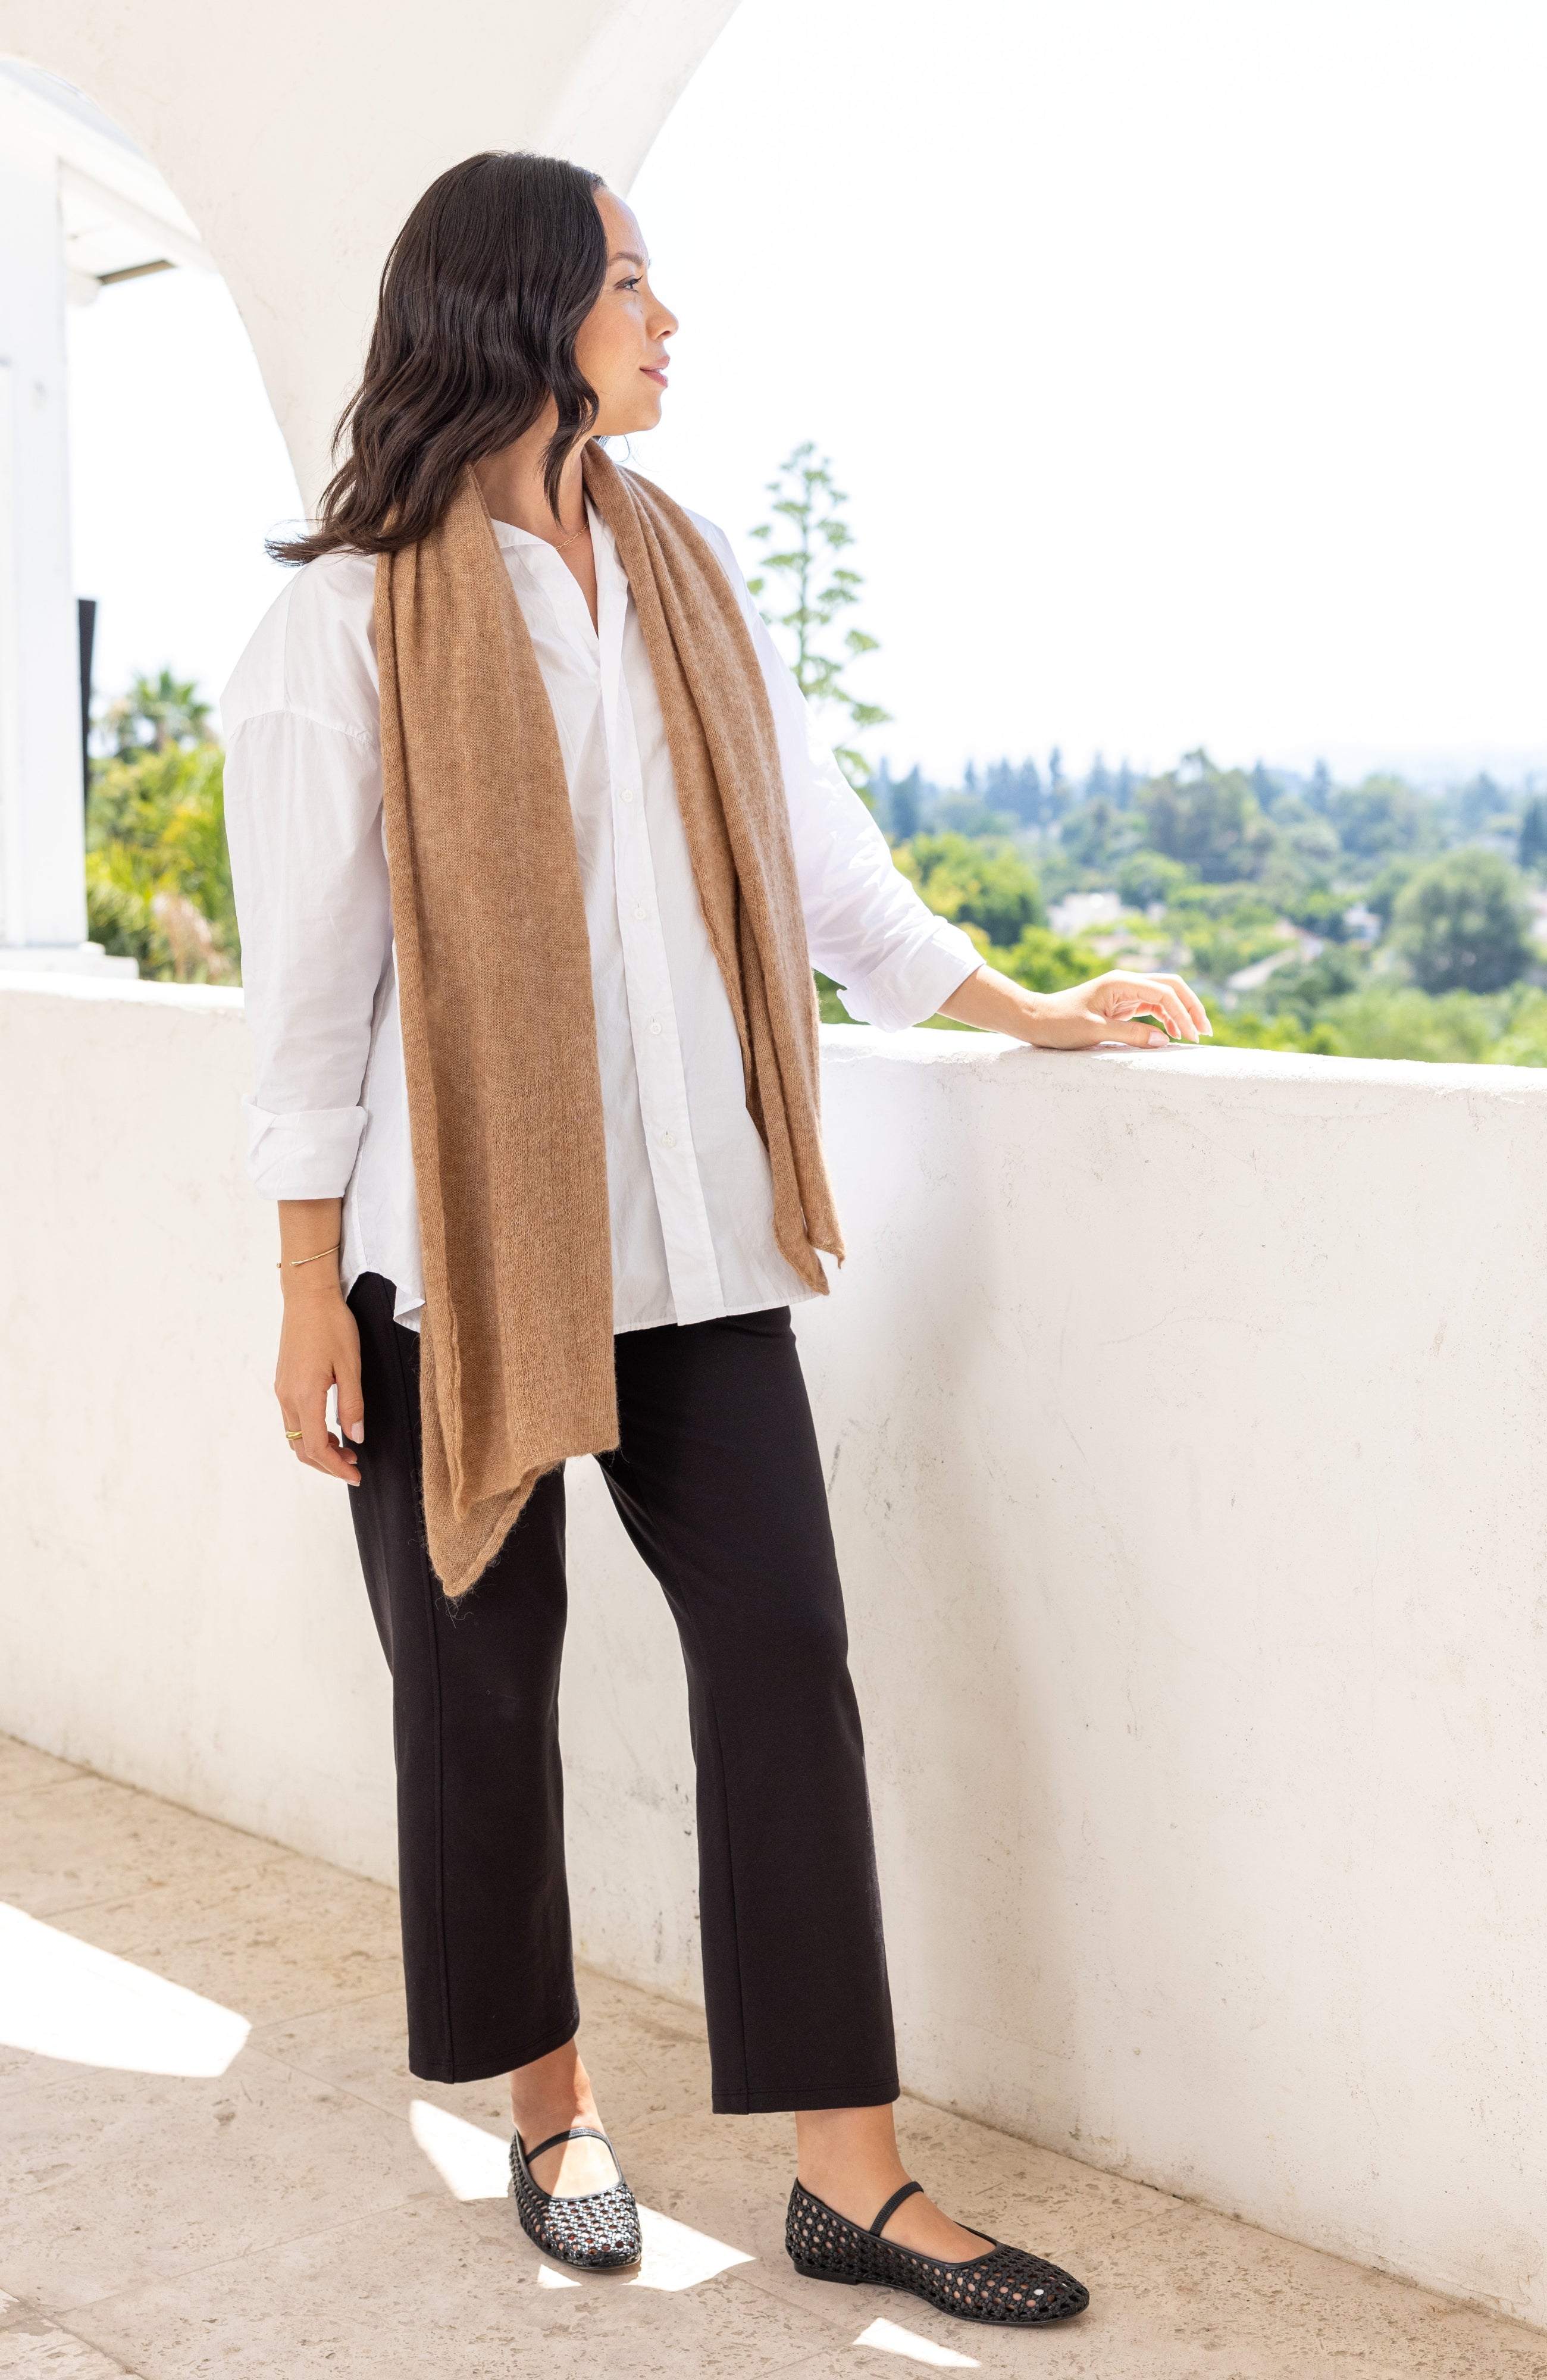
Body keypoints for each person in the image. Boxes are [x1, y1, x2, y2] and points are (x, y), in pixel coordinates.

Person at [223, 150, 1208, 2329]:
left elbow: (821, 864)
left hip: (694, 1247)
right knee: (481, 1688)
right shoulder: (345, 622)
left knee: (783, 1662)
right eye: (633, 283)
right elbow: (306, 1005)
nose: (669, 322)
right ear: (520, 310)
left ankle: (851, 2177)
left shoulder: (685, 570)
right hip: (450, 1261)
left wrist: (1022, 1006)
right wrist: (306, 1291)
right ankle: (552, 2111)